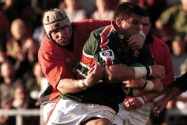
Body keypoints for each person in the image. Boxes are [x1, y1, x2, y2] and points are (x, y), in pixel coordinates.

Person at [37, 7, 165, 125]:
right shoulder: (47, 50)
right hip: (68, 97)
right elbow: (63, 86)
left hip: (104, 98)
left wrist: (142, 83)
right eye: (55, 32)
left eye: (64, 28)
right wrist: (86, 82)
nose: (61, 34)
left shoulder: (144, 48)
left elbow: (159, 84)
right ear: (49, 35)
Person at [114, 7, 174, 125]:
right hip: (114, 101)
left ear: (151, 26)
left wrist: (143, 99)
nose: (141, 28)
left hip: (142, 104)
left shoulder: (161, 48)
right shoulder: (115, 41)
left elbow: (167, 82)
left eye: (145, 24)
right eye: (137, 23)